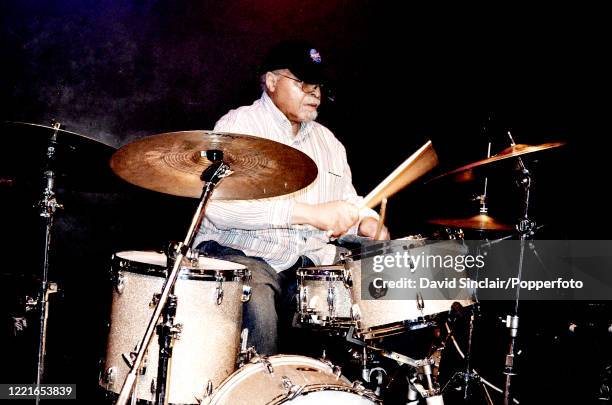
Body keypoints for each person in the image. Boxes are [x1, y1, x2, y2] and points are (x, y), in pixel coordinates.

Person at [194, 40, 389, 355]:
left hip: (305, 266)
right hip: (241, 254)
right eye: (303, 83)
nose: (314, 92)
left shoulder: (330, 144)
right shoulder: (239, 127)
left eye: (318, 85)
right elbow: (218, 208)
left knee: (363, 302)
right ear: (271, 82)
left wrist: (367, 223)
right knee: (257, 302)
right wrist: (308, 213)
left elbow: (349, 203)